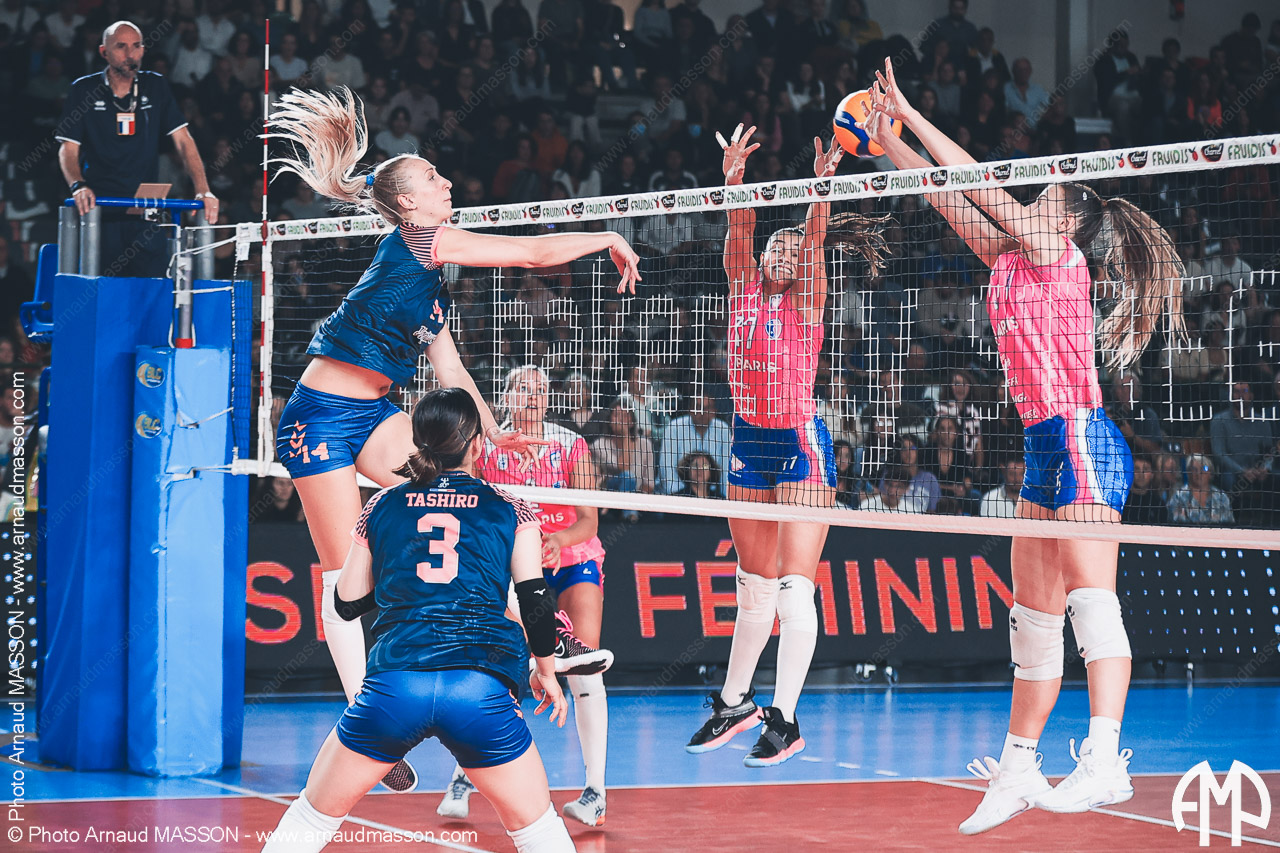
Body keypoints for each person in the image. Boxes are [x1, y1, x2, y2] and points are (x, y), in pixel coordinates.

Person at [267, 87, 639, 795]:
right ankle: (361, 712)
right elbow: (532, 254)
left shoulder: (432, 285)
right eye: (433, 177)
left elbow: (453, 373)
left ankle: (548, 630)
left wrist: (493, 433)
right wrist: (607, 236)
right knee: (342, 570)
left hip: (372, 412)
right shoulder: (421, 240)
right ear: (409, 203)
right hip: (317, 418)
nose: (446, 182)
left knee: (463, 500)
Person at [862, 59, 1185, 832]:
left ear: (1065, 222)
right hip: (1043, 445)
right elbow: (946, 194)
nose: (1031, 201)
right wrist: (885, 141)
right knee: (1032, 618)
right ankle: (1018, 766)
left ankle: (1105, 758)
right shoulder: (1008, 257)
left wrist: (914, 111)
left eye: (1042, 198)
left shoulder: (1057, 255)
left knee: (1091, 604)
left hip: (1082, 434)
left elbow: (977, 180)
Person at [259, 388, 577, 853]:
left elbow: (346, 603)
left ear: (418, 440)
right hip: (478, 689)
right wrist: (546, 671)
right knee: (538, 831)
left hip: (395, 687)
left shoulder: (382, 504)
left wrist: (402, 572)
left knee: (311, 817)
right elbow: (535, 600)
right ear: (477, 445)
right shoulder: (512, 507)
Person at [685, 124, 887, 766]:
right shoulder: (742, 285)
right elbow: (740, 229)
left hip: (800, 445)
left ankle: (787, 718)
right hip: (748, 443)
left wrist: (819, 191)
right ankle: (734, 702)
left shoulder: (809, 299)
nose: (782, 253)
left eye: (792, 250)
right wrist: (735, 181)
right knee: (754, 587)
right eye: (777, 246)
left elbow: (816, 240)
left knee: (796, 589)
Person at [439, 365, 611, 827]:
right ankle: (462, 778)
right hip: (515, 564)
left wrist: (557, 540)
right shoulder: (486, 448)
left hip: (570, 556)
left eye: (540, 389)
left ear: (549, 399)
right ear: (507, 397)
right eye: (523, 388)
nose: (532, 396)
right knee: (491, 666)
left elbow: (589, 521)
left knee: (585, 667)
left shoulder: (571, 445)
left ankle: (595, 792)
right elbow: (474, 510)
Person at [55, 21, 219, 278]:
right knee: (102, 291)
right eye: (121, 47)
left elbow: (183, 140)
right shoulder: (83, 89)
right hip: (100, 212)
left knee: (151, 290)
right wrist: (78, 185)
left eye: (136, 46)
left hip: (145, 212)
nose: (130, 54)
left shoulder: (156, 86)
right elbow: (68, 148)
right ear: (104, 52)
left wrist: (203, 189)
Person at [657, 387, 732, 496]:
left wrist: (724, 498)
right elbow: (667, 468)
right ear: (690, 410)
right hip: (677, 494)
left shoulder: (723, 429)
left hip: (711, 494)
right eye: (698, 407)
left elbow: (726, 470)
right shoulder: (674, 427)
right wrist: (678, 497)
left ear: (714, 412)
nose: (702, 412)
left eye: (707, 408)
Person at [1167, 454, 1234, 525]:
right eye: (1194, 469)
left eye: (1204, 468)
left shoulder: (1221, 497)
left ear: (1210, 473)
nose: (1199, 473)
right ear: (1188, 473)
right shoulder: (1178, 497)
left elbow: (1230, 524)